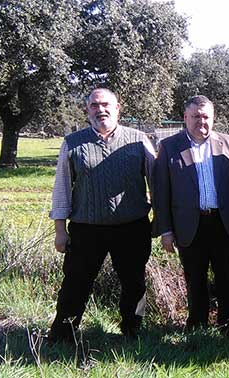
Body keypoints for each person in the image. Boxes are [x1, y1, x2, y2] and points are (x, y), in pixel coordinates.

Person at [48, 88, 155, 342]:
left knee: (134, 283)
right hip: (86, 228)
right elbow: (62, 188)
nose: (100, 110)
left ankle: (132, 331)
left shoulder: (139, 140)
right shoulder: (72, 143)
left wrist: (160, 221)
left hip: (131, 227)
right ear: (87, 110)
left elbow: (157, 183)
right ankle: (63, 334)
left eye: (106, 104)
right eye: (94, 105)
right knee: (75, 283)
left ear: (118, 108)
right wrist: (60, 230)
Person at [152, 95, 229, 336]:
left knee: (226, 273)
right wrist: (166, 230)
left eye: (205, 117)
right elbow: (161, 191)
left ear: (213, 118)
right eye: (195, 116)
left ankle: (228, 322)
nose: (200, 122)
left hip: (222, 222)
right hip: (188, 224)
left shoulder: (228, 143)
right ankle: (197, 323)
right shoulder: (170, 147)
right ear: (185, 118)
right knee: (194, 275)